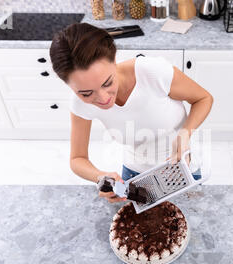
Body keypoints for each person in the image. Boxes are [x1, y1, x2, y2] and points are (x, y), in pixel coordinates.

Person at [50, 23, 213, 203]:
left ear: (114, 60)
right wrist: (100, 177)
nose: (103, 98)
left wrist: (185, 134)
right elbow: (77, 159)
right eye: (86, 93)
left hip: (180, 167)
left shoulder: (152, 72)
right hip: (133, 175)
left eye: (107, 83)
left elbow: (203, 99)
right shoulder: (79, 104)